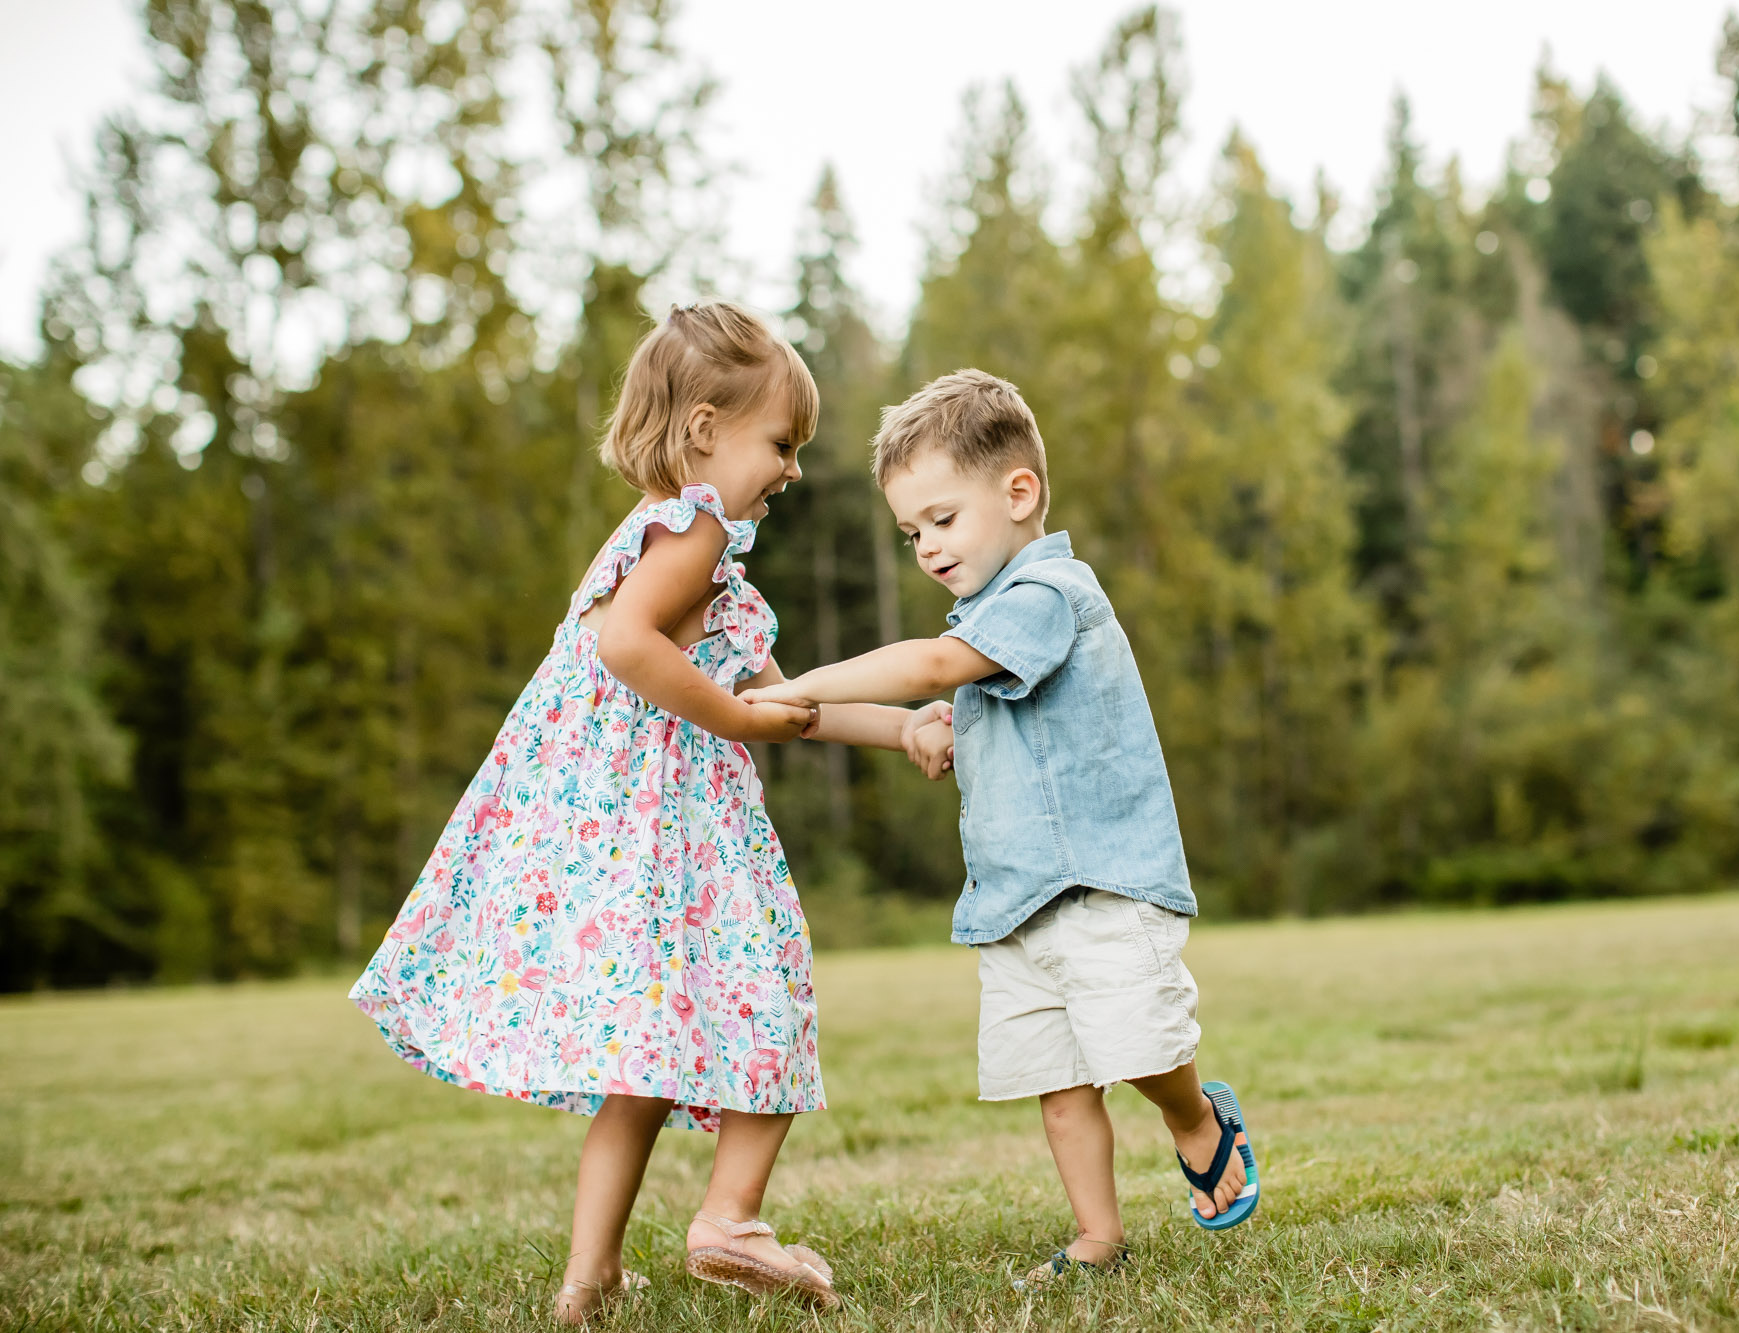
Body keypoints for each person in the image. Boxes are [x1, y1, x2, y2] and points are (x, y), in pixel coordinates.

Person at [349, 302, 946, 1321]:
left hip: (617, 832)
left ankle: (587, 1280)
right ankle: (731, 1218)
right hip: (664, 821)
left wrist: (898, 729)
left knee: (647, 1053)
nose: (792, 469)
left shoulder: (681, 550)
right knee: (768, 985)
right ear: (706, 428)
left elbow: (784, 701)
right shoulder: (697, 525)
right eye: (781, 443)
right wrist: (730, 720)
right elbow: (631, 646)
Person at [743, 368, 1260, 1288]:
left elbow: (937, 661)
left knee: (1139, 1047)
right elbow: (981, 696)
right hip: (1016, 898)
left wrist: (804, 684)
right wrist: (946, 729)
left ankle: (1196, 1119)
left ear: (1019, 492)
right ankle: (1097, 1234)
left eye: (943, 519)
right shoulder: (988, 625)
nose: (927, 548)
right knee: (1057, 1084)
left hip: (1105, 880)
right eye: (910, 533)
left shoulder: (1052, 591)